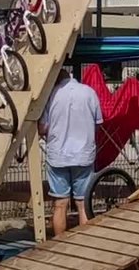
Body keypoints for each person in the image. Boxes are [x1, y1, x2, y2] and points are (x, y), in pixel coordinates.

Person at [38, 68, 103, 237]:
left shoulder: (51, 95)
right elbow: (98, 122)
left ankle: (59, 244)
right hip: (83, 154)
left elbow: (42, 127)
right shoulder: (89, 92)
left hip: (58, 155)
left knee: (60, 204)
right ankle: (84, 243)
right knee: (83, 203)